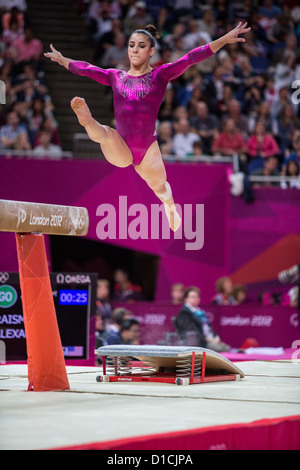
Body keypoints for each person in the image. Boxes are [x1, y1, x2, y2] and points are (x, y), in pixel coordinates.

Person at [44, 21, 251, 232]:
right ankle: (87, 120)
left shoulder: (159, 76)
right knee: (105, 134)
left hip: (147, 150)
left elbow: (191, 57)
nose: (134, 49)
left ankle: (170, 207)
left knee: (160, 188)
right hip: (121, 146)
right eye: (132, 44)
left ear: (151, 51)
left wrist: (224, 39)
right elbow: (88, 69)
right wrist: (62, 60)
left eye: (141, 45)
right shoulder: (116, 77)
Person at [174, 286, 230, 352]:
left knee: (227, 348)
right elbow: (192, 333)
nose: (196, 298)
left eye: (197, 296)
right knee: (225, 349)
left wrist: (215, 336)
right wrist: (207, 339)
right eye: (193, 297)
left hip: (209, 340)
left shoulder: (200, 312)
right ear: (186, 299)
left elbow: (209, 328)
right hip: (201, 344)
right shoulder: (184, 313)